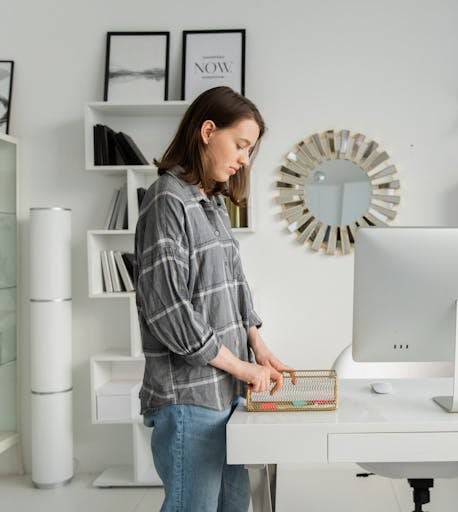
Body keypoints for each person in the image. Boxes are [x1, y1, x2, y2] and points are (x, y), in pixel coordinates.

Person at [134, 86, 292, 512]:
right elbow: (170, 312)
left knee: (235, 507)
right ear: (208, 131)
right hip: (189, 400)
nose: (245, 159)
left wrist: (258, 347)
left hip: (226, 395)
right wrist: (240, 365)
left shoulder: (211, 204)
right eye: (241, 145)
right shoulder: (166, 200)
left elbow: (235, 285)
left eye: (250, 150)